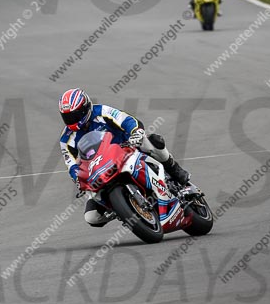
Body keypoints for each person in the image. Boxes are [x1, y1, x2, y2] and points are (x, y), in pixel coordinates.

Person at [59, 89, 190, 227]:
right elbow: (71, 164)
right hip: (100, 169)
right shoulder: (66, 139)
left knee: (151, 141)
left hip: (126, 149)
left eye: (75, 116)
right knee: (91, 217)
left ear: (85, 108)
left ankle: (174, 168)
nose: (72, 121)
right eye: (67, 117)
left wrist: (136, 132)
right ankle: (122, 210)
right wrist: (78, 178)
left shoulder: (103, 111)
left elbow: (126, 120)